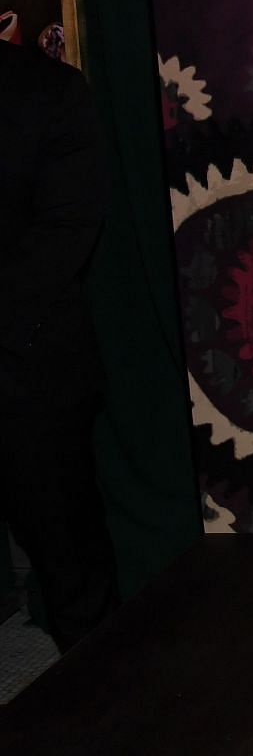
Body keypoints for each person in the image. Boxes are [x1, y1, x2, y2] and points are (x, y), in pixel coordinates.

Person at [0, 38, 119, 651]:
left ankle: (104, 717)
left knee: (70, 564)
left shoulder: (51, 91)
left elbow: (67, 229)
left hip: (31, 371)